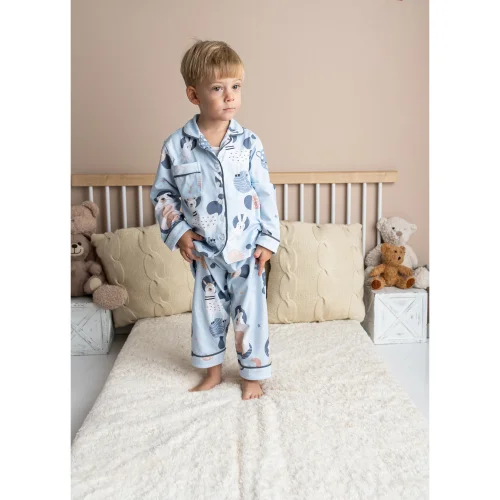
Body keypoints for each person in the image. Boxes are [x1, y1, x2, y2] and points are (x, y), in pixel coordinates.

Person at [150, 40, 280, 400]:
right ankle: (212, 372)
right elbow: (163, 195)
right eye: (218, 88)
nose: (230, 96)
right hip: (206, 253)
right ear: (194, 94)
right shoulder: (177, 146)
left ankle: (252, 375)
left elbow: (265, 191)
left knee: (251, 313)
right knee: (208, 314)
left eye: (235, 86)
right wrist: (179, 232)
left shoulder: (249, 143)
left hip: (247, 249)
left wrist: (268, 239)